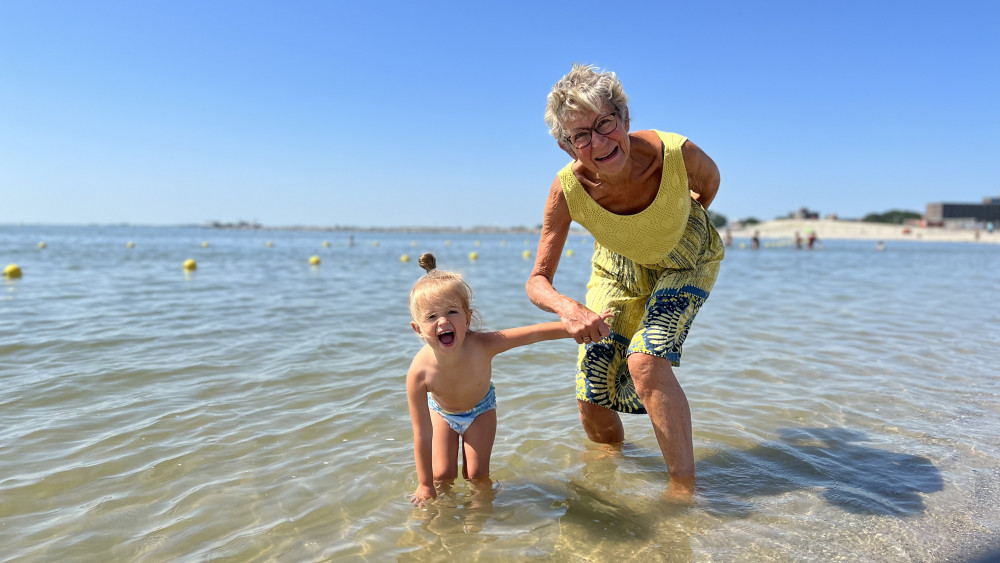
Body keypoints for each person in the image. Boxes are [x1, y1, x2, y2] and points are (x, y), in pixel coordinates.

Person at [526, 64, 724, 497]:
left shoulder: (675, 154)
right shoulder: (567, 190)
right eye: (581, 135)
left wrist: (670, 221)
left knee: (645, 361)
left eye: (604, 124)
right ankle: (611, 469)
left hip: (687, 260)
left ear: (625, 119)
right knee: (594, 388)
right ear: (566, 146)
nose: (597, 142)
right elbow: (538, 280)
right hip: (617, 268)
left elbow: (709, 185)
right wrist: (568, 307)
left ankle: (683, 490)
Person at [407, 252, 609, 505]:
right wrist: (424, 485)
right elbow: (421, 433)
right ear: (418, 328)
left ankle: (480, 518)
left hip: (480, 410)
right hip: (443, 413)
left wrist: (578, 328)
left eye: (452, 312)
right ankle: (445, 523)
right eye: (431, 317)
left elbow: (533, 334)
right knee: (441, 476)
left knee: (476, 476)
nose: (443, 321)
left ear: (468, 318)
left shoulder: (483, 345)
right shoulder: (419, 373)